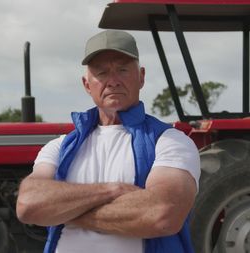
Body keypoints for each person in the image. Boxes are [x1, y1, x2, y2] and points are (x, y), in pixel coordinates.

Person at [16, 30, 200, 253]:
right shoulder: (59, 147)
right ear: (86, 84)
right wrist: (112, 190)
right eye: (102, 72)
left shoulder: (170, 142)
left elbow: (162, 214)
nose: (113, 81)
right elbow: (28, 205)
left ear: (141, 77)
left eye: (122, 70)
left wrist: (65, 213)